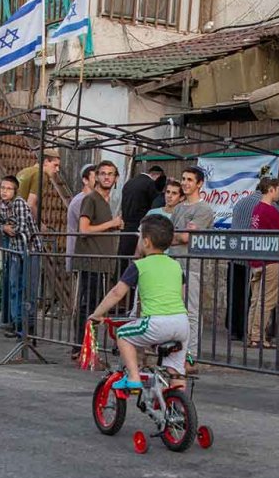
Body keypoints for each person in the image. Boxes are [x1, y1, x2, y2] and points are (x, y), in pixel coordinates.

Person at [87, 215, 190, 390]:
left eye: (140, 237)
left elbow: (117, 293)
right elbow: (181, 295)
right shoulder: (176, 265)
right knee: (176, 372)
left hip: (156, 322)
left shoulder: (139, 265)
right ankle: (179, 410)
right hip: (182, 324)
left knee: (123, 335)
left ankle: (134, 376)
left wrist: (97, 314)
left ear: (147, 242)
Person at [167, 165, 218, 372]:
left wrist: (178, 237)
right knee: (174, 311)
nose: (185, 183)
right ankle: (176, 353)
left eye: (190, 180)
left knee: (191, 311)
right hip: (173, 264)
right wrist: (179, 236)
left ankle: (191, 357)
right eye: (183, 179)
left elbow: (186, 238)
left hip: (192, 265)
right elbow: (170, 236)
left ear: (199, 184)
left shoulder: (203, 210)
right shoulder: (179, 208)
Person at [73, 160, 124, 355]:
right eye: (103, 173)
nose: (107, 177)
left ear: (116, 178)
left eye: (110, 174)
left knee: (95, 307)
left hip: (103, 262)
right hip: (91, 261)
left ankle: (86, 348)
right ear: (97, 176)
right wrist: (112, 224)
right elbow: (84, 229)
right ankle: (82, 348)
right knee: (89, 307)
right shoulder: (91, 199)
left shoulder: (108, 201)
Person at [246, 177, 279, 349]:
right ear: (271, 189)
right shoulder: (271, 211)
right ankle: (258, 335)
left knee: (255, 299)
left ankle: (251, 334)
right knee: (267, 299)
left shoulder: (256, 209)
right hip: (270, 258)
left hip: (256, 258)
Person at [0, 174, 39, 338]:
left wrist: (6, 228)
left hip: (29, 249)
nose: (4, 191)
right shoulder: (1, 205)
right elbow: (1, 224)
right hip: (15, 249)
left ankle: (29, 326)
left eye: (8, 188)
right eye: (2, 188)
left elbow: (19, 228)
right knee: (14, 287)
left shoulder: (19, 203)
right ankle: (17, 323)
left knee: (28, 288)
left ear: (15, 191)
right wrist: (3, 227)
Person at [229, 175, 269, 341]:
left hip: (235, 254)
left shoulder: (240, 202)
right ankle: (248, 330)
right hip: (254, 256)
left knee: (236, 293)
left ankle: (234, 329)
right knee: (253, 296)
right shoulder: (268, 205)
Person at [118, 165, 163, 257]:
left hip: (126, 226)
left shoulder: (129, 183)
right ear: (157, 176)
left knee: (124, 256)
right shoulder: (149, 184)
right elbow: (156, 203)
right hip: (140, 225)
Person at [65, 163, 98, 274]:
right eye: (95, 177)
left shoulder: (91, 199)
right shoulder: (81, 200)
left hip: (89, 255)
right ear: (85, 180)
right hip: (80, 254)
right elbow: (86, 228)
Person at [16, 148, 62, 217]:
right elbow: (30, 204)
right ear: (46, 162)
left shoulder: (23, 171)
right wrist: (40, 224)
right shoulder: (41, 175)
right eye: (55, 165)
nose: (57, 169)